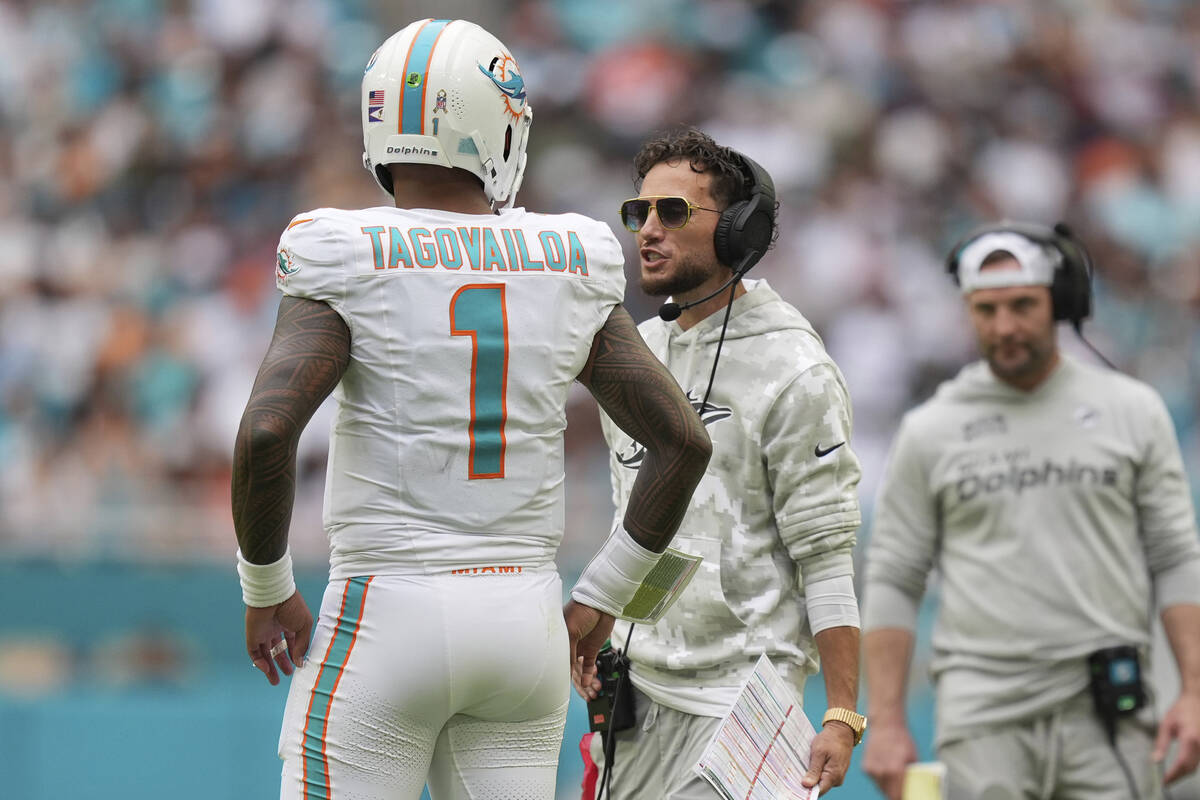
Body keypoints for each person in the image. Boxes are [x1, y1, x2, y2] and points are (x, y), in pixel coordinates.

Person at [230, 19, 711, 800]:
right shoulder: (568, 258)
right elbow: (683, 443)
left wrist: (265, 589)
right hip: (521, 619)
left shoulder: (343, 248)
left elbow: (267, 427)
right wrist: (603, 594)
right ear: (498, 126)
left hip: (385, 612)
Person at [861, 222, 1200, 800]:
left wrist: (1193, 692)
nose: (1006, 326)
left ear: (1061, 304)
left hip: (1107, 711)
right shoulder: (930, 430)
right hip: (982, 716)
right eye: (986, 309)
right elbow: (895, 577)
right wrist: (887, 721)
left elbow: (1173, 558)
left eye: (1023, 305)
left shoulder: (1131, 411)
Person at [575, 127, 866, 798]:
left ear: (739, 230)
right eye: (638, 212)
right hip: (636, 702)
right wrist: (606, 617)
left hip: (748, 706)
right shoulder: (632, 356)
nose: (647, 229)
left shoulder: (795, 368)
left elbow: (823, 558)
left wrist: (843, 714)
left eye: (672, 212)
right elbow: (644, 533)